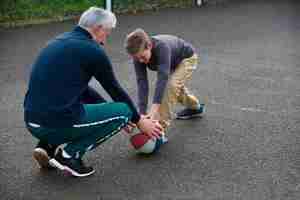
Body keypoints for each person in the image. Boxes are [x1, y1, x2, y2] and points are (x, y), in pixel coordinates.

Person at [23, 7, 163, 177]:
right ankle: (69, 156)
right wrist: (138, 120)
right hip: (56, 124)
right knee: (123, 111)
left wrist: (107, 112)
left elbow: (81, 89)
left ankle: (46, 146)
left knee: (65, 102)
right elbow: (114, 90)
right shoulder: (93, 51)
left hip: (32, 122)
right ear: (98, 28)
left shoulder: (57, 42)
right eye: (107, 33)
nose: (104, 41)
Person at [124, 28, 206, 131]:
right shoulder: (138, 55)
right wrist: (142, 114)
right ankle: (195, 108)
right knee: (176, 89)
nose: (140, 61)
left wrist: (153, 111)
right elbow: (142, 83)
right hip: (171, 63)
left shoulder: (162, 47)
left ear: (149, 46)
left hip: (187, 59)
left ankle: (159, 129)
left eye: (142, 57)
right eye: (136, 58)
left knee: (171, 86)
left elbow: (162, 79)